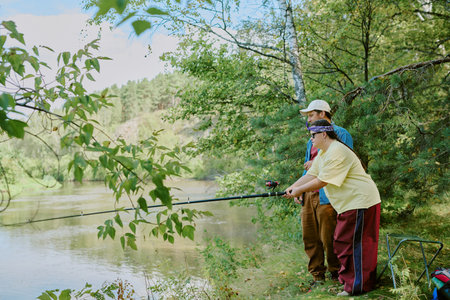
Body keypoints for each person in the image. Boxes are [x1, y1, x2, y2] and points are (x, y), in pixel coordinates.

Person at [284, 119, 381, 296]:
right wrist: (292, 187)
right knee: (343, 242)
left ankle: (357, 287)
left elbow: (322, 181)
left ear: (323, 134)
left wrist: (298, 190)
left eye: (313, 135)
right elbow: (312, 174)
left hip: (361, 201)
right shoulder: (324, 153)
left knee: (352, 244)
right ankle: (353, 282)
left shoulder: (336, 151)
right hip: (350, 203)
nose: (311, 139)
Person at [292, 100, 353, 285]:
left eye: (311, 115)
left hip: (327, 192)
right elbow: (308, 168)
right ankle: (317, 276)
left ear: (322, 113)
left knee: (330, 237)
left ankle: (337, 275)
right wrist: (299, 190)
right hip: (309, 192)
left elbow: (344, 161)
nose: (309, 119)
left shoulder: (341, 133)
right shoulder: (311, 139)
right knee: (310, 236)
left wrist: (318, 163)